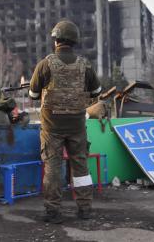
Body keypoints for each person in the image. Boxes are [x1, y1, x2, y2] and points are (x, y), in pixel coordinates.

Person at [29, 20, 102, 224]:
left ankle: (53, 211)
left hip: (52, 127)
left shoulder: (45, 64)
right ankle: (85, 209)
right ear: (74, 41)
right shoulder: (84, 65)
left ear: (56, 40)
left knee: (53, 167)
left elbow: (33, 93)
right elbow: (96, 92)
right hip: (77, 126)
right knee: (81, 167)